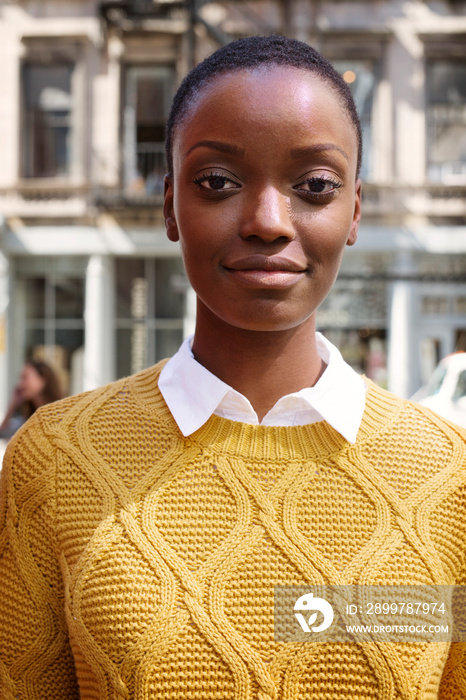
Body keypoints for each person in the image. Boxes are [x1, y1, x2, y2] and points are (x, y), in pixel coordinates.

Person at [0, 35, 465, 699]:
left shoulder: (449, 478)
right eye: (218, 182)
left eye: (314, 186)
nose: (268, 221)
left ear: (354, 210)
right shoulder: (53, 462)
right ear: (170, 206)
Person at [0, 359, 63, 439]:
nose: (20, 384)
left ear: (42, 379)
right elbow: (2, 433)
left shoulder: (59, 415)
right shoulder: (27, 418)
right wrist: (13, 403)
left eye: (25, 377)